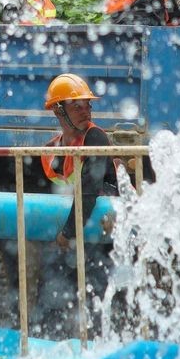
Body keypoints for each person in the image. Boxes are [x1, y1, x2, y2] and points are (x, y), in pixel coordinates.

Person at [34, 73, 119, 339]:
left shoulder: (95, 138)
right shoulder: (53, 151)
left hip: (100, 233)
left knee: (97, 295)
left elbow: (90, 188)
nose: (85, 111)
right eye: (77, 106)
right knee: (51, 292)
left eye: (88, 105)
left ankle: (98, 351)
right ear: (59, 112)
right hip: (78, 229)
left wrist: (67, 232)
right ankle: (46, 345)